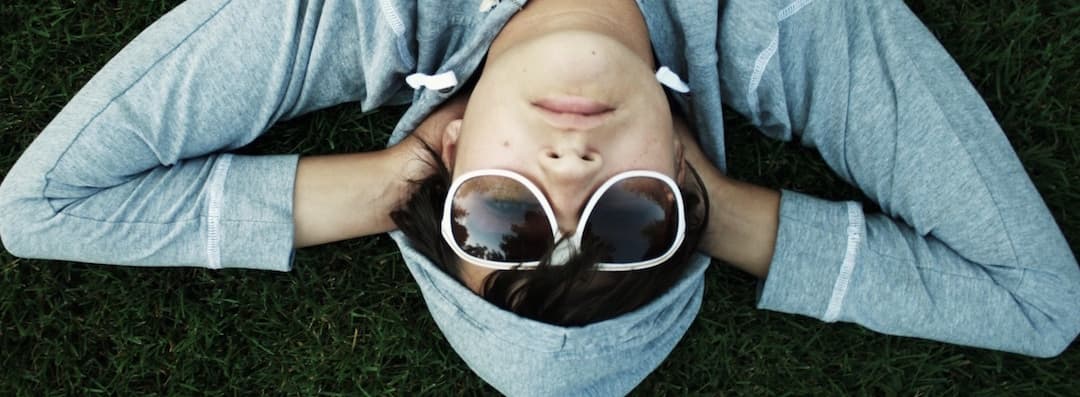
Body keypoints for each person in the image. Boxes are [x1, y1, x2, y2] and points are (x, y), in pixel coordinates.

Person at [0, 0, 1077, 395]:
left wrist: (387, 184)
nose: (570, 179)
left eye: (503, 221)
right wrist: (721, 207)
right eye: (633, 221)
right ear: (691, 171)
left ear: (448, 153)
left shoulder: (356, 17)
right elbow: (1038, 304)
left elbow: (42, 207)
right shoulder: (787, 30)